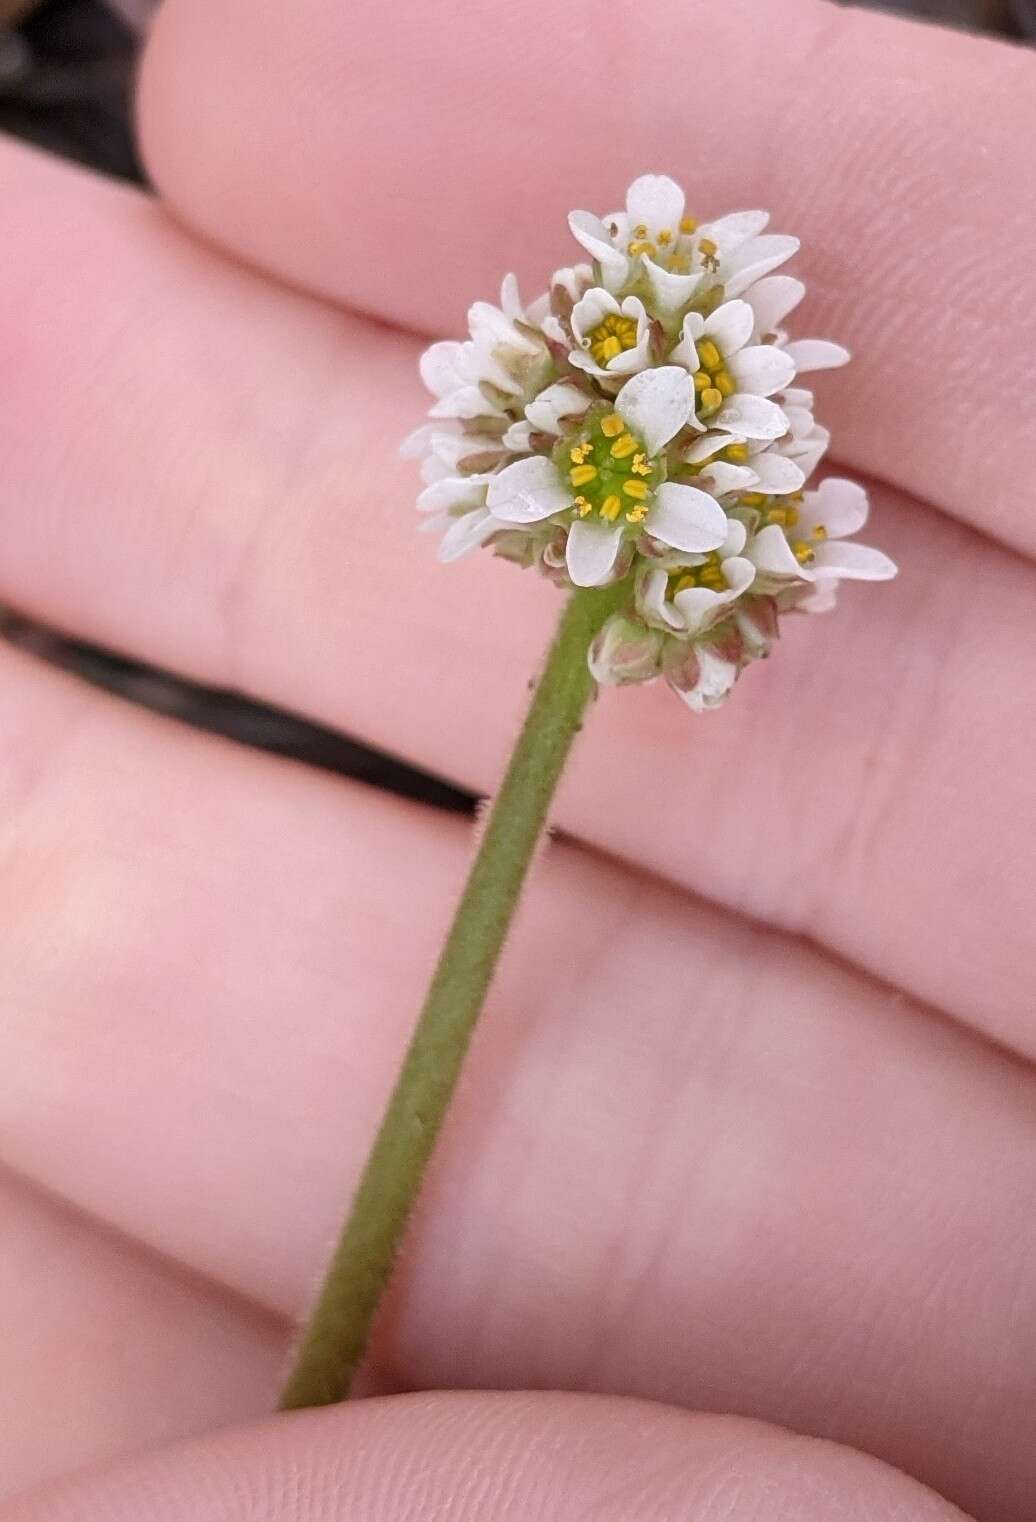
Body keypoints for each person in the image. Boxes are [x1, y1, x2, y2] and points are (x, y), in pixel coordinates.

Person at [0, 0, 1033, 1517]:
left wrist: (704, 527)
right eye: (608, 421)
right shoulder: (591, 460)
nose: (618, 435)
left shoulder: (652, 487)